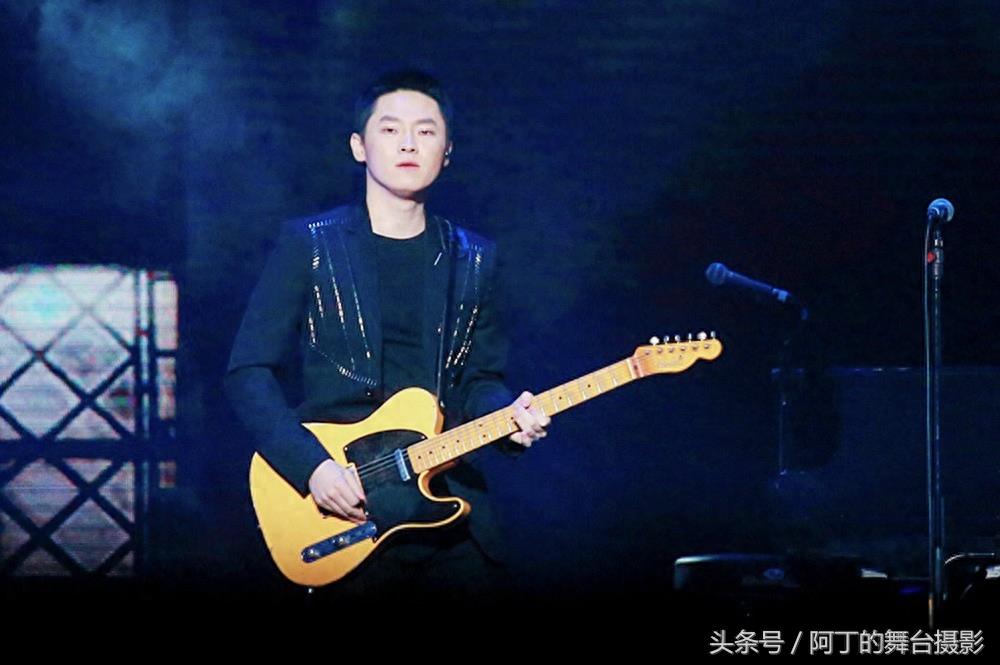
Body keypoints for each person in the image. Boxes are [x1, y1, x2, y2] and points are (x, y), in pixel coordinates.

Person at [225, 70, 549, 606]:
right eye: (391, 129)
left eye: (426, 131)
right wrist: (312, 467)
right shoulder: (310, 245)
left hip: (450, 510)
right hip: (348, 506)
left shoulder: (476, 259)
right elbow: (248, 372)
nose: (408, 143)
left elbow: (480, 380)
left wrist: (509, 416)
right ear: (359, 146)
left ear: (447, 152)